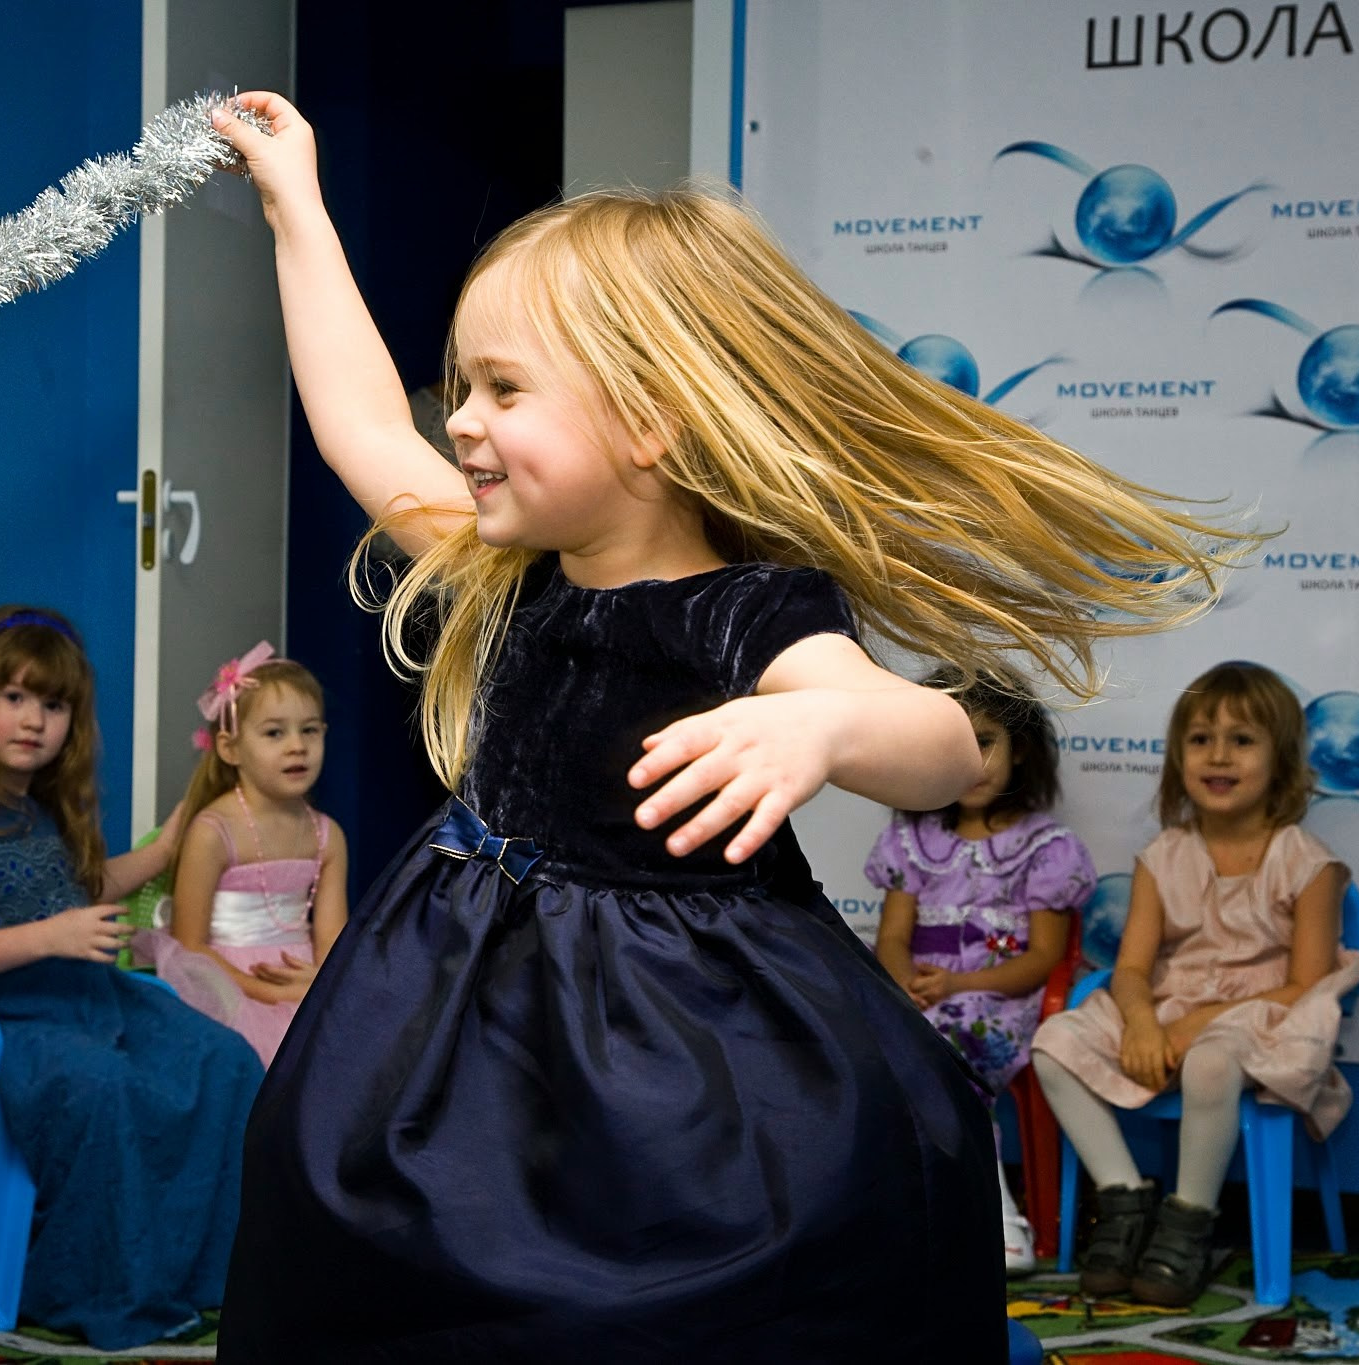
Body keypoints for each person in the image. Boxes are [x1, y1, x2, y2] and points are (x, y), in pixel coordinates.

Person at [209, 91, 1245, 1360]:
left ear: (649, 423)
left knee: (646, 1300)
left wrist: (811, 732)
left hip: (673, 1035)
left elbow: (938, 740)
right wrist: (294, 205)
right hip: (459, 997)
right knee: (363, 1225)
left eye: (503, 388)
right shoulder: (509, 567)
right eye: (461, 383)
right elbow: (363, 422)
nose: (462, 420)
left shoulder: (744, 611)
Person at [0, 605, 266, 1350]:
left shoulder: (44, 810)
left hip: (85, 999)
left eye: (52, 704)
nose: (33, 720)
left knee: (225, 1060)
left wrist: (174, 837)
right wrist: (53, 934)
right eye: (13, 697)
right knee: (102, 1087)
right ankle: (95, 1289)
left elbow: (85, 890)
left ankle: (195, 1276)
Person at [1032, 662, 1359, 1306]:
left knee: (1212, 1059)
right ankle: (1125, 1202)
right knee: (1053, 1043)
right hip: (1168, 1005)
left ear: (1282, 759)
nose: (1219, 756)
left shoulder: (1307, 861)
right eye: (1201, 739)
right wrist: (1143, 1021)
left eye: (1242, 740)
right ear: (1177, 757)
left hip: (1266, 1015)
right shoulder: (1164, 858)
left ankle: (1187, 1221)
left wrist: (1191, 1026)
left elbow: (1306, 985)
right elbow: (1130, 969)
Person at [865, 668, 1096, 1275]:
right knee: (874, 1042)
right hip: (925, 998)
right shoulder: (912, 839)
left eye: (985, 740)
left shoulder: (1044, 848)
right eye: (951, 743)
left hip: (999, 1004)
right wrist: (905, 987)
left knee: (949, 1040)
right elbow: (892, 937)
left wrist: (956, 987)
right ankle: (897, 1215)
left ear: (1019, 750)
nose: (970, 759)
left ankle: (996, 1215)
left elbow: (1043, 961)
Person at [133, 644, 348, 1065]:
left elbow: (333, 943)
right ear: (231, 749)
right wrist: (271, 992)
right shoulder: (213, 832)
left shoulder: (328, 836)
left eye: (310, 730)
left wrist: (321, 985)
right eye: (274, 732)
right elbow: (190, 945)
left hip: (304, 983)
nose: (297, 747)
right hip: (224, 985)